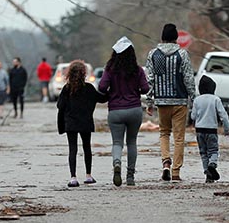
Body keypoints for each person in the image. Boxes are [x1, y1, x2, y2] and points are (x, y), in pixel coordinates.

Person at [145, 23, 196, 181]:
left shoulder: (153, 54)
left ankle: (166, 162)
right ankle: (175, 171)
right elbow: (188, 78)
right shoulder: (182, 54)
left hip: (162, 101)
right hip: (180, 101)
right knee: (179, 137)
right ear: (176, 38)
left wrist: (149, 101)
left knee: (164, 133)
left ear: (162, 37)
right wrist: (193, 98)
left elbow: (150, 80)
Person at [98, 36, 149, 187]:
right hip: (134, 109)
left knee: (117, 142)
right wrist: (136, 90)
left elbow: (101, 87)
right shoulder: (137, 70)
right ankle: (131, 176)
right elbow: (146, 89)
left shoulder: (110, 70)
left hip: (115, 111)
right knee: (132, 142)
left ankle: (117, 162)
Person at [57, 60, 106, 187]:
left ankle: (73, 178)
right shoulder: (89, 88)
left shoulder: (66, 89)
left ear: (69, 73)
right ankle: (88, 176)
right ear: (84, 73)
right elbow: (102, 98)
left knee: (72, 149)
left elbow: (60, 105)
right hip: (86, 122)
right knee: (87, 147)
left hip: (71, 123)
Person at [191, 75, 229, 183]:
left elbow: (193, 116)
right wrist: (226, 129)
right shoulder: (216, 99)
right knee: (213, 151)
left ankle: (207, 173)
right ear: (213, 88)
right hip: (211, 130)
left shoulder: (197, 100)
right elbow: (224, 115)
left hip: (199, 130)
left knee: (203, 153)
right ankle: (212, 164)